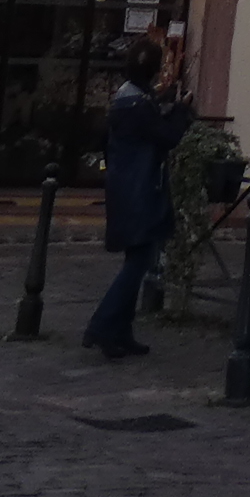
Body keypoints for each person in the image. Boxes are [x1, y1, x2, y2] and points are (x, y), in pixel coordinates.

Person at [86, 35, 195, 360]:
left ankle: (121, 332)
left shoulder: (127, 99)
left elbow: (148, 124)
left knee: (136, 259)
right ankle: (103, 324)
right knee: (139, 262)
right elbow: (166, 136)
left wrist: (165, 100)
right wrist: (182, 110)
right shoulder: (136, 106)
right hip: (141, 190)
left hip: (126, 188)